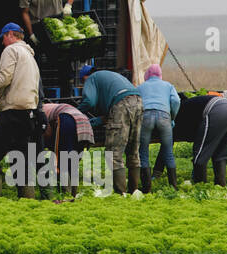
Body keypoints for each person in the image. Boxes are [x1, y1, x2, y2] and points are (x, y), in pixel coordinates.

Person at [0, 23, 43, 198]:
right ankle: (28, 199)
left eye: (3, 38)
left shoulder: (11, 51)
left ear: (10, 34)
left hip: (13, 112)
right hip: (28, 113)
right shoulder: (29, 55)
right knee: (20, 157)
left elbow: (4, 78)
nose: (3, 43)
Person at [79, 66, 143, 194]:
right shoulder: (109, 76)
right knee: (133, 150)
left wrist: (76, 112)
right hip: (138, 101)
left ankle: (120, 194)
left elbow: (89, 101)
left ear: (84, 77)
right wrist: (98, 120)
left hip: (121, 104)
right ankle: (134, 191)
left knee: (114, 154)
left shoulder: (91, 79)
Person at [173, 93, 227, 186]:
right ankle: (220, 187)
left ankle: (201, 187)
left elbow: (186, 134)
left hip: (215, 110)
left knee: (200, 156)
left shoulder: (181, 110)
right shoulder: (193, 103)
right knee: (220, 156)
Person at [136, 63, 180, 192]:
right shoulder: (168, 85)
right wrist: (172, 117)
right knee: (168, 152)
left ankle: (146, 188)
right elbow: (176, 101)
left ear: (147, 75)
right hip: (164, 117)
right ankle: (173, 187)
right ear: (160, 75)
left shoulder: (140, 87)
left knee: (143, 151)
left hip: (146, 116)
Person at [42, 100, 95, 196]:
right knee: (72, 163)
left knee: (62, 161)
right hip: (84, 122)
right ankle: (73, 194)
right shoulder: (52, 107)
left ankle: (65, 194)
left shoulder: (41, 110)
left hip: (67, 119)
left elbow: (47, 132)